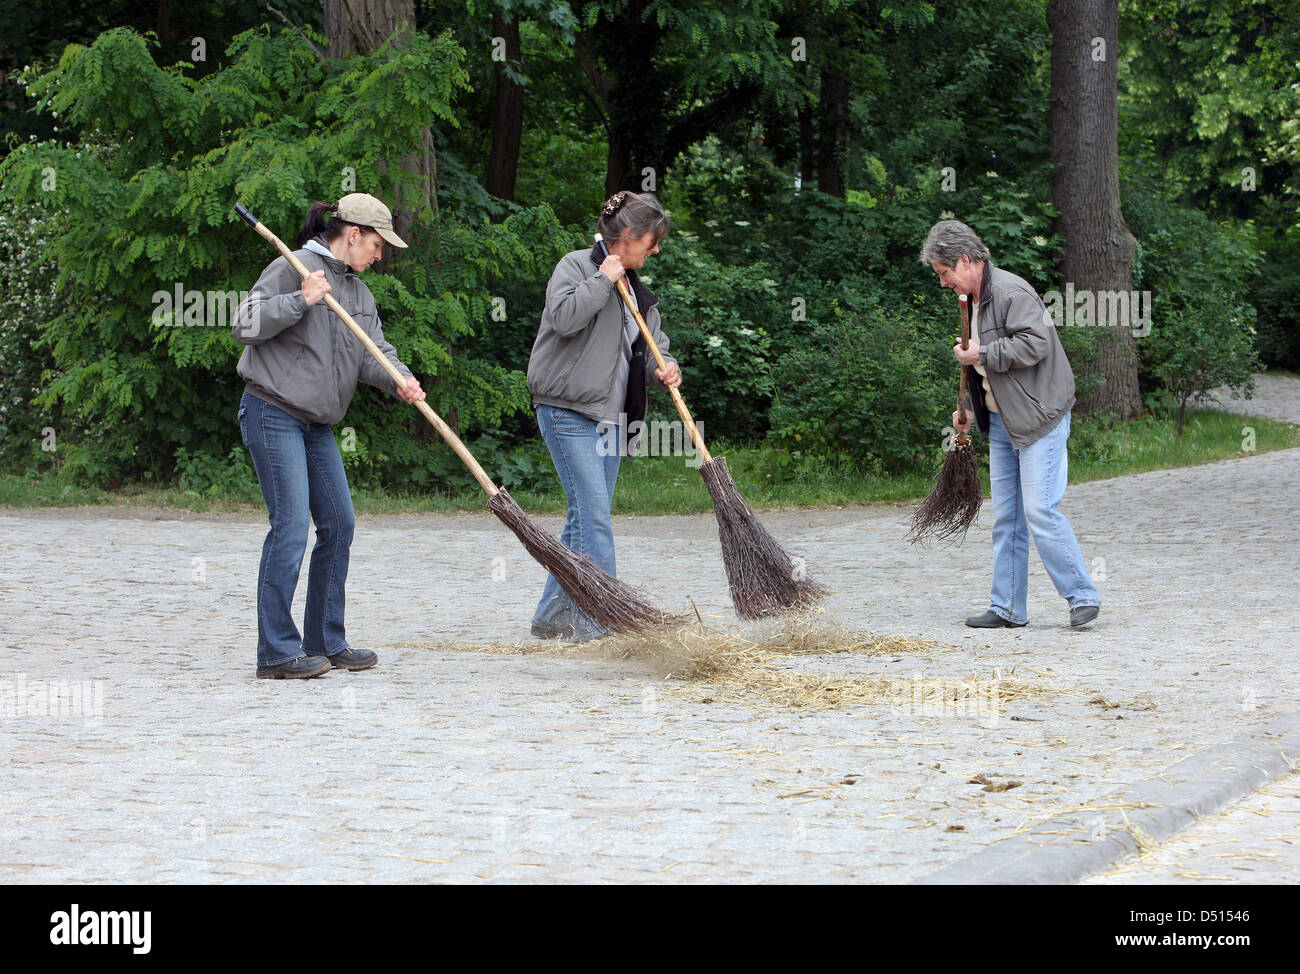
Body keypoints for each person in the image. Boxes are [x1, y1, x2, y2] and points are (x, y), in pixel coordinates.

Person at [232, 193, 426, 678]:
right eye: (377, 245)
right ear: (353, 233)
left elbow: (373, 352)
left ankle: (325, 640)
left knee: (339, 523)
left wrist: (399, 379)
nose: (380, 257)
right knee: (292, 527)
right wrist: (302, 299)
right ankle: (276, 653)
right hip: (272, 410)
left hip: (317, 424)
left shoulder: (359, 294)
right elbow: (244, 324)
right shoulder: (293, 266)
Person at [920, 219, 1101, 629]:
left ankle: (1082, 596)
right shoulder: (972, 300)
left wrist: (982, 352)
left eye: (945, 274)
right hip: (1002, 424)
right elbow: (983, 369)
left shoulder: (1010, 291)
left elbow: (1035, 344)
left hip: (1040, 418)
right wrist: (966, 408)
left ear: (964, 261)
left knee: (1039, 510)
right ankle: (1007, 608)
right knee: (1008, 517)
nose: (944, 283)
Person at [525, 191, 682, 640]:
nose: (655, 250)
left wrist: (665, 368)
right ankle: (604, 622)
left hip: (615, 418)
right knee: (593, 516)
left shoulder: (638, 289)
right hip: (568, 410)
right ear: (628, 235)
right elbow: (563, 318)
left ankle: (552, 617)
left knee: (583, 518)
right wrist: (602, 278)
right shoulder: (576, 265)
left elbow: (654, 345)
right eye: (652, 241)